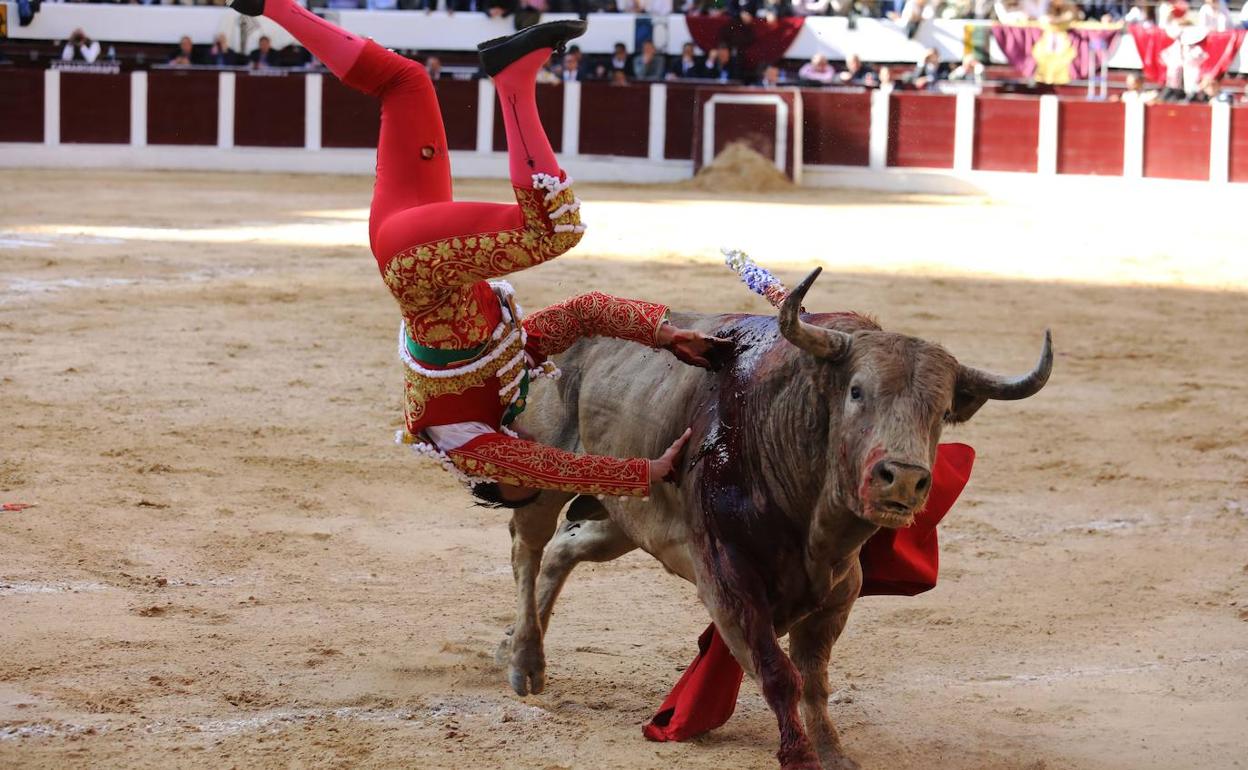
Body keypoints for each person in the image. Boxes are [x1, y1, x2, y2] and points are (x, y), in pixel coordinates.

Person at [224, 2, 723, 503]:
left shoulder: (463, 444)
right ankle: (271, 4)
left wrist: (645, 473)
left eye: (517, 487)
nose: (526, 472)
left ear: (491, 483)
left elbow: (550, 467)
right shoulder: (505, 376)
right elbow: (581, 311)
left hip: (420, 267)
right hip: (406, 237)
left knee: (554, 229)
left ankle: (512, 81)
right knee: (404, 81)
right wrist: (663, 332)